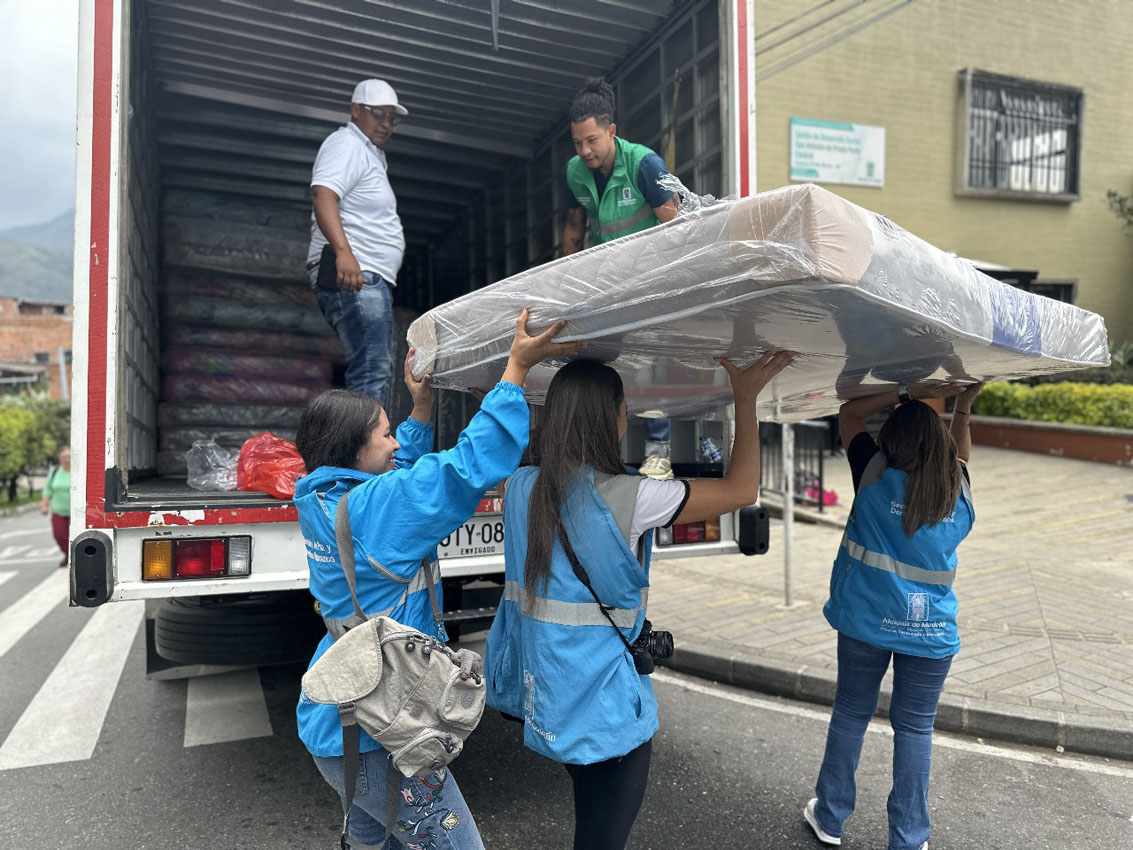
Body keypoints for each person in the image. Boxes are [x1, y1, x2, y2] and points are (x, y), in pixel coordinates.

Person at [293, 309, 582, 850]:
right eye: (384, 434)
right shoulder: (378, 507)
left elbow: (401, 483)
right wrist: (515, 370)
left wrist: (420, 406)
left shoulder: (323, 497)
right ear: (354, 449)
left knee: (373, 838)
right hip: (384, 734)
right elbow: (469, 466)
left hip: (338, 719)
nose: (395, 444)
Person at [486, 350, 793, 850]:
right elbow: (742, 489)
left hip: (550, 695)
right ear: (611, 416)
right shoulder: (633, 497)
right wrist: (745, 397)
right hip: (603, 706)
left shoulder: (522, 486)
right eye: (623, 406)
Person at [804, 381, 984, 850]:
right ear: (941, 445)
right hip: (930, 631)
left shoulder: (873, 474)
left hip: (866, 620)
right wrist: (961, 407)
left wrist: (908, 392)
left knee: (850, 714)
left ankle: (830, 816)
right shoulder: (953, 491)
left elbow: (848, 416)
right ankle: (908, 837)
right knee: (915, 728)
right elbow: (960, 455)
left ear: (891, 445)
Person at [560, 76, 681, 469]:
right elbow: (574, 227)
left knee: (651, 365)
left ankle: (658, 454)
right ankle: (600, 451)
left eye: (592, 140)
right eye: (578, 143)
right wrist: (567, 277)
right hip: (606, 283)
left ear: (611, 131)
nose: (585, 151)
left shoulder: (645, 165)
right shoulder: (576, 172)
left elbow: (678, 229)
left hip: (649, 283)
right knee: (606, 365)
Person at [307, 78, 408, 407]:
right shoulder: (347, 144)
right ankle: (359, 454)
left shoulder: (369, 153)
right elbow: (323, 194)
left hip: (365, 274)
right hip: (356, 273)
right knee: (371, 369)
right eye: (378, 114)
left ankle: (359, 449)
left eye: (392, 118)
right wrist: (344, 253)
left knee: (373, 368)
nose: (386, 124)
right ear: (355, 110)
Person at [40, 447, 70, 568]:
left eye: (69, 456)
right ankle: (68, 554)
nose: (67, 459)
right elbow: (48, 489)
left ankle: (74, 556)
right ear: (60, 459)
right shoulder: (54, 471)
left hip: (77, 512)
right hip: (58, 510)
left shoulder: (79, 470)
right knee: (59, 536)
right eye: (64, 457)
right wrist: (44, 505)